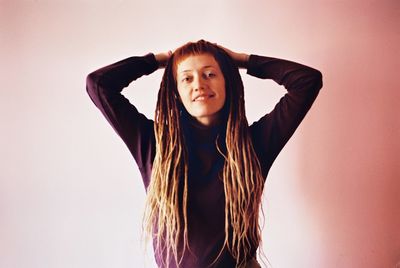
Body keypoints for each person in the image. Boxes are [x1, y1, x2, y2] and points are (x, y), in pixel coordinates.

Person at [86, 40, 323, 268]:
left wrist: (241, 61)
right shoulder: (155, 145)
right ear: (175, 92)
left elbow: (307, 81)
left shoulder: (254, 144)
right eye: (186, 78)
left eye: (210, 74)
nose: (199, 84)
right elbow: (98, 83)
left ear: (227, 82)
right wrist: (159, 61)